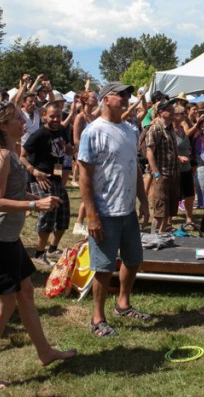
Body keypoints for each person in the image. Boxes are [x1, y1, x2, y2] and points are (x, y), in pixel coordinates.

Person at [0, 102, 75, 391]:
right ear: (3, 126)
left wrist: (27, 192)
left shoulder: (9, 154)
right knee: (3, 307)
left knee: (26, 292)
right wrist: (33, 203)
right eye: (17, 118)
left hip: (7, 239)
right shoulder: (2, 155)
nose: (24, 121)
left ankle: (45, 352)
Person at [77, 82, 152, 338]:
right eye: (120, 94)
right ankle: (98, 318)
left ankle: (123, 304)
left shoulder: (131, 130)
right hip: (105, 212)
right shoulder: (93, 131)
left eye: (127, 95)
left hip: (127, 209)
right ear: (106, 99)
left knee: (133, 260)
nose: (126, 98)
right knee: (103, 267)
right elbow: (84, 177)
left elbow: (136, 168)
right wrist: (92, 215)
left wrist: (143, 200)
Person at [21, 100, 74, 265]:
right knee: (48, 216)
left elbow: (65, 148)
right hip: (42, 179)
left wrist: (70, 149)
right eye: (52, 116)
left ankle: (53, 248)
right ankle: (38, 253)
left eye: (58, 116)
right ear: (44, 116)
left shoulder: (62, 131)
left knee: (64, 214)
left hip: (56, 177)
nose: (56, 119)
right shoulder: (39, 135)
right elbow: (21, 155)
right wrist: (34, 172)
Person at [146, 97, 183, 233]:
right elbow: (149, 151)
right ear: (161, 112)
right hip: (162, 174)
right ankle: (155, 236)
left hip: (173, 173)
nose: (173, 112)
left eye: (173, 110)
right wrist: (156, 173)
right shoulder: (156, 128)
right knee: (160, 209)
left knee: (169, 210)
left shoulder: (170, 128)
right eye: (170, 110)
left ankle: (162, 235)